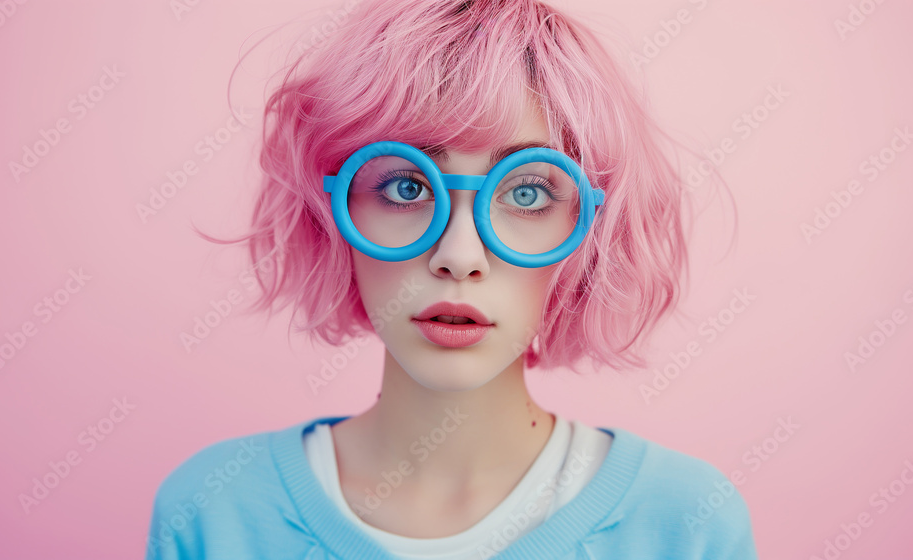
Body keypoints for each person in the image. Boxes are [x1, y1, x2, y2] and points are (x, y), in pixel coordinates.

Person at [146, 0, 758, 558]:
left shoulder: (683, 524)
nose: (459, 256)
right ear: (332, 212)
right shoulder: (214, 512)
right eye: (406, 186)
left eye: (525, 191)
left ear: (589, 228)